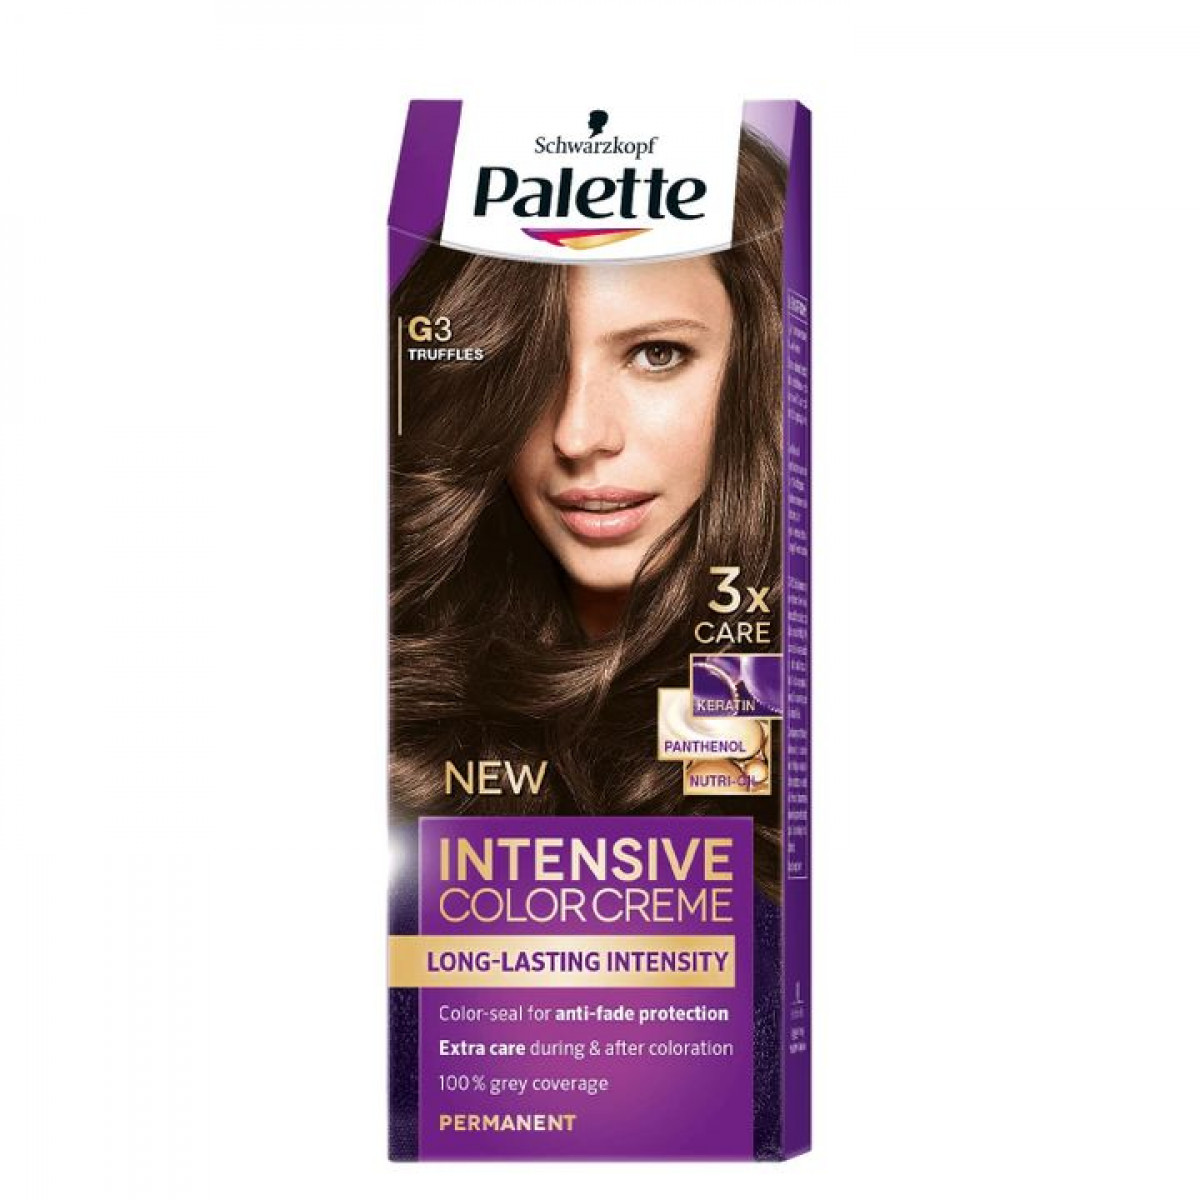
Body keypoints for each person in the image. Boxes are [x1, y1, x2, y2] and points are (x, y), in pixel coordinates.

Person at [389, 130, 786, 893]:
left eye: (656, 354)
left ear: (762, 366)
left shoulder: (764, 687)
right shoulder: (414, 663)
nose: (577, 435)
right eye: (530, 365)